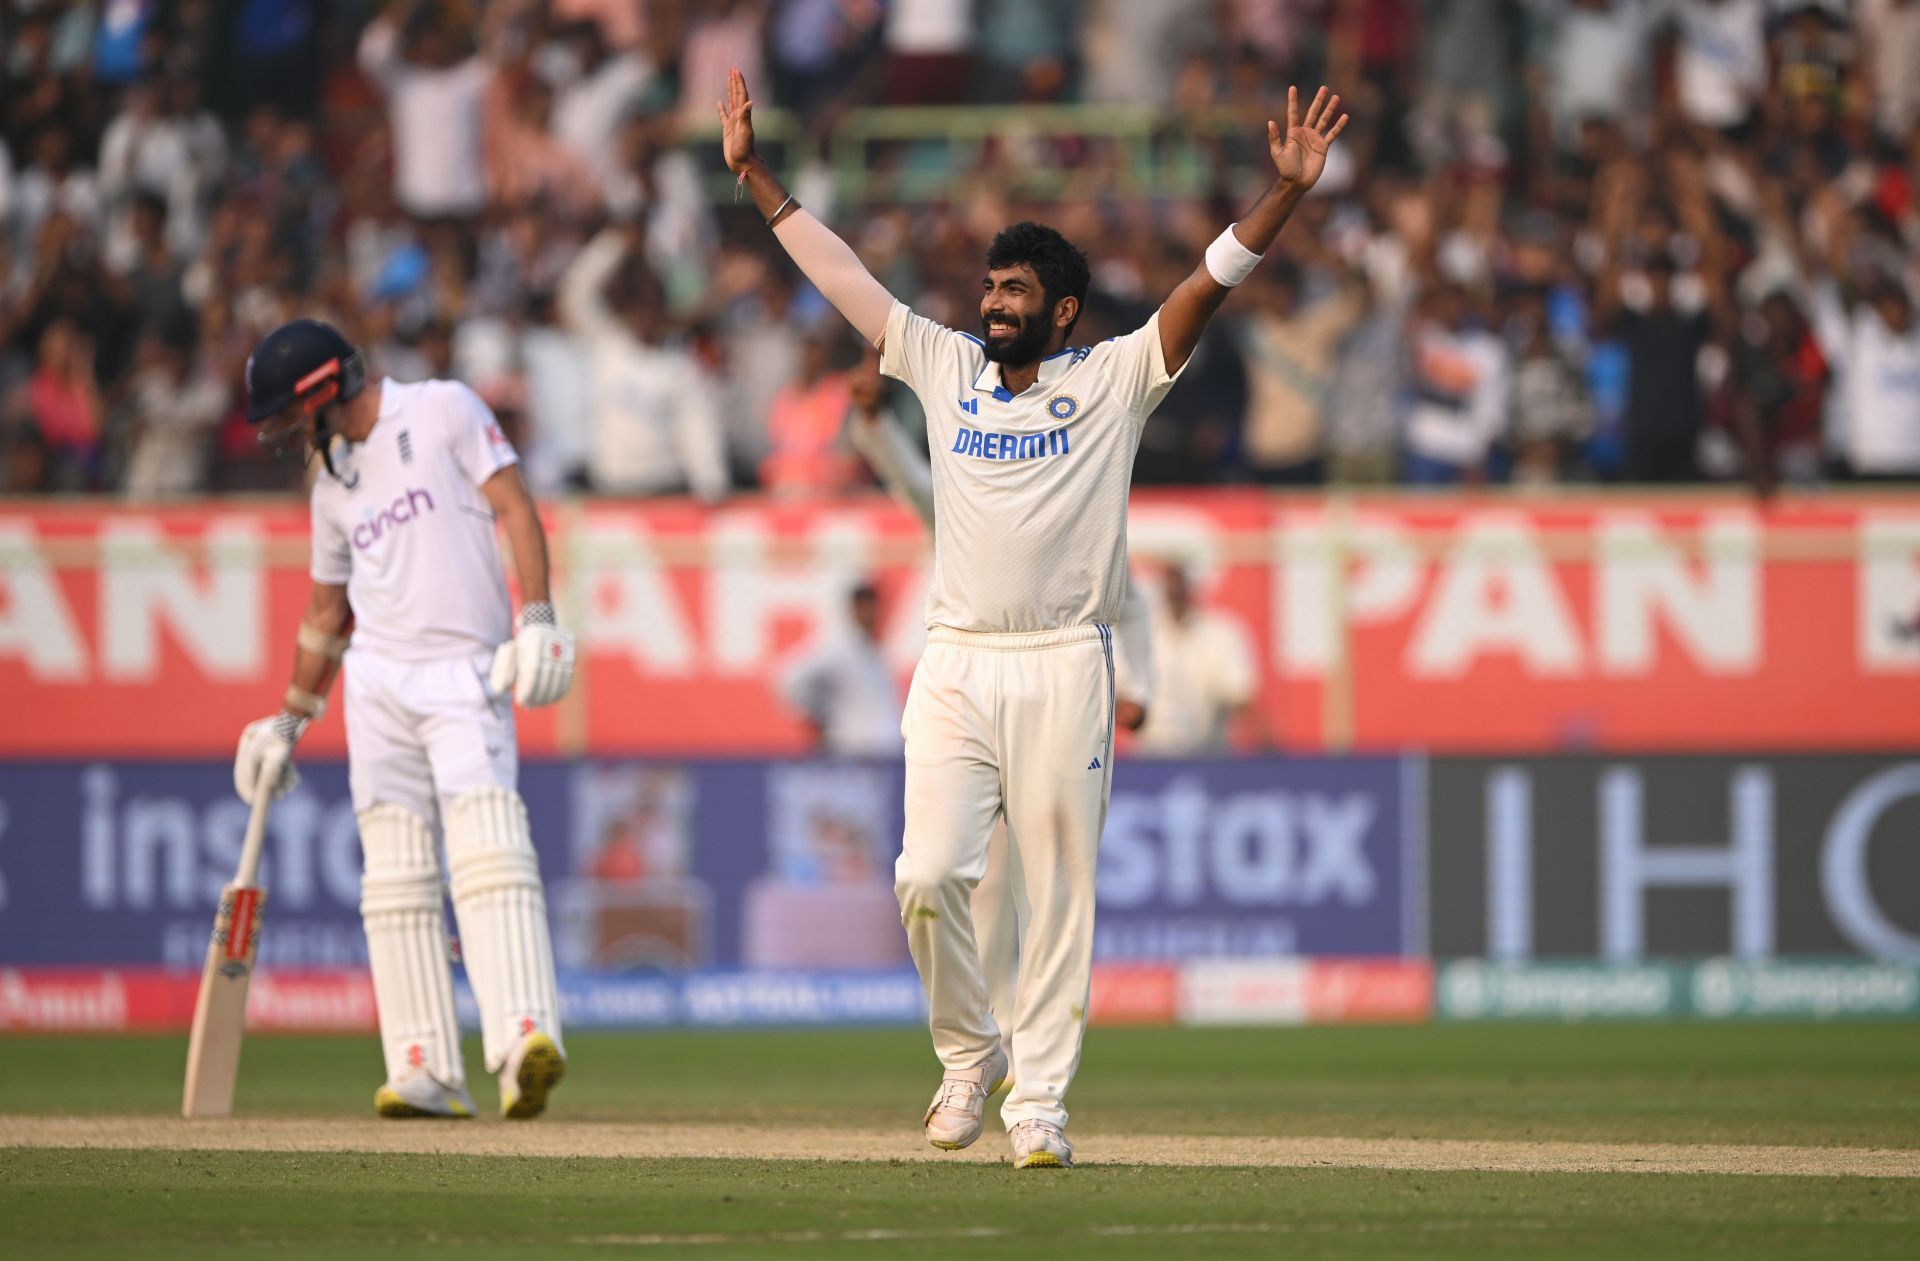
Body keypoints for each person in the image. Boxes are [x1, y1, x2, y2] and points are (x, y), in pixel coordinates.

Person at [718, 67, 1346, 1168]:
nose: (992, 303)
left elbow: (1206, 285)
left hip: (1067, 660)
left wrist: (1282, 196)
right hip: (957, 661)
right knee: (926, 875)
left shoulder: (1112, 379)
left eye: (1013, 293)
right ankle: (970, 1055)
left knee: (1058, 896)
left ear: (1057, 312)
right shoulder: (944, 365)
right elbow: (846, 278)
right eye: (989, 287)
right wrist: (755, 177)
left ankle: (1039, 1103)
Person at [230, 319, 574, 1121]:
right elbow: (327, 612)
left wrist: (539, 617)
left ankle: (523, 1036)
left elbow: (516, 508)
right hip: (376, 683)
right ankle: (422, 1065)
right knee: (393, 874)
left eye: (286, 413)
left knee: (488, 842)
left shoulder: (441, 407)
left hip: (464, 668)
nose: (283, 431)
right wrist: (287, 722)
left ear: (320, 394)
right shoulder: (330, 486)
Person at [844, 356, 1156, 1079]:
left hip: (1061, 684)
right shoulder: (965, 493)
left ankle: (1030, 1058)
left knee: (1043, 884)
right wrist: (873, 425)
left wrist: (1142, 683)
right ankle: (992, 1035)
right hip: (972, 682)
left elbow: (1129, 600)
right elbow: (919, 487)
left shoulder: (1085, 497)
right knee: (961, 879)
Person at [779, 581, 905, 757]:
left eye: (872, 608)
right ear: (853, 610)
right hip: (855, 754)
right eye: (863, 608)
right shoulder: (838, 649)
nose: (870, 614)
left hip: (885, 756)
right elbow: (790, 677)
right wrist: (818, 716)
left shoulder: (874, 651)